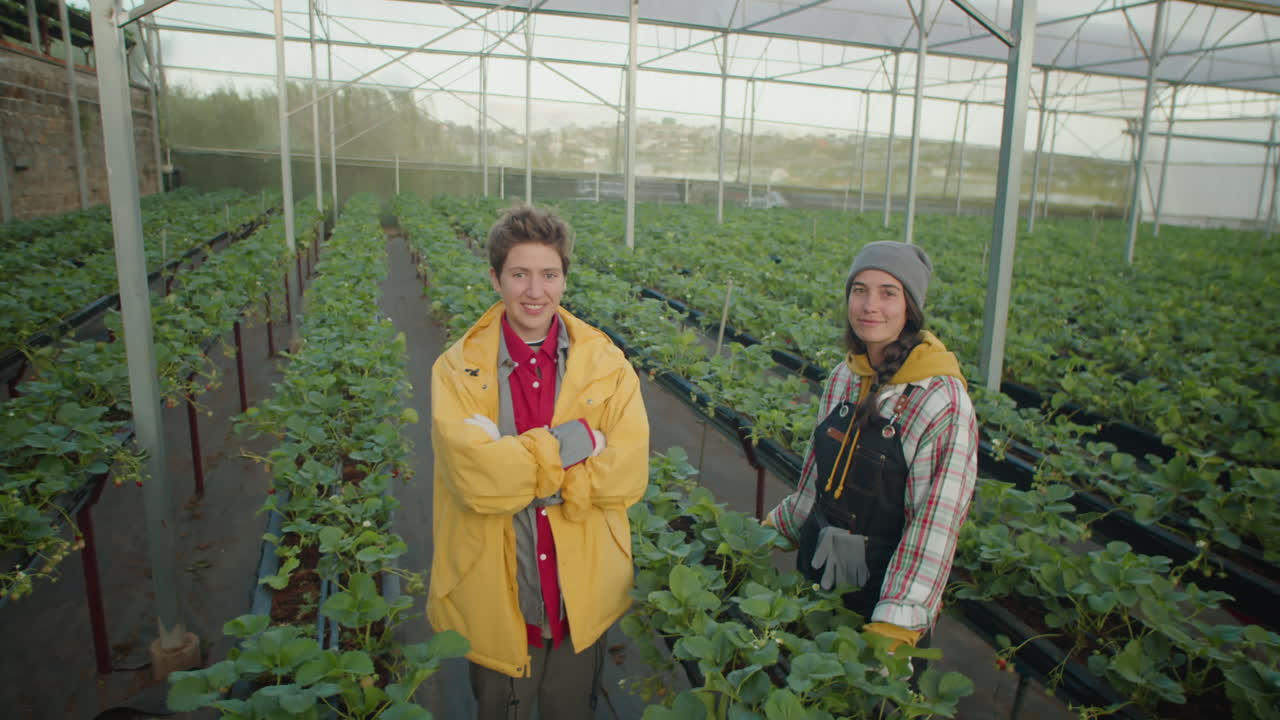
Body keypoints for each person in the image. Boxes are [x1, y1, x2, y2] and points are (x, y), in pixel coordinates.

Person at [428, 204, 650, 719]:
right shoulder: (456, 370)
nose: (535, 291)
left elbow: (628, 473)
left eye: (549, 274)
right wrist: (574, 444)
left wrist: (516, 465)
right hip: (497, 598)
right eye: (519, 274)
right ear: (495, 278)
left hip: (580, 598)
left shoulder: (608, 365)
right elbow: (477, 484)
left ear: (564, 279)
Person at [765, 240, 977, 662]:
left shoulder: (938, 399)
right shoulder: (845, 376)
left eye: (888, 292)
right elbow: (816, 480)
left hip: (885, 590)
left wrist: (895, 623)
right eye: (859, 289)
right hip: (820, 566)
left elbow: (934, 522)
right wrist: (774, 528)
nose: (870, 305)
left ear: (910, 307)